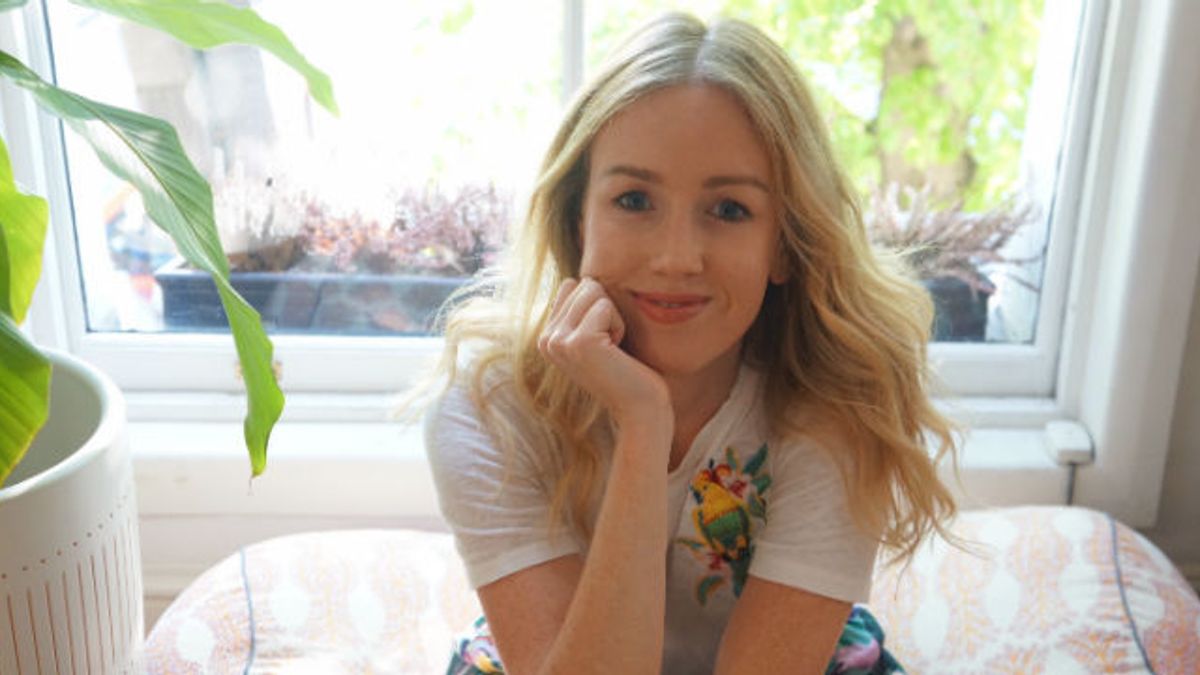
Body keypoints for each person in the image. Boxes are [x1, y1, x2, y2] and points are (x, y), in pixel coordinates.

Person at [420, 12, 958, 675]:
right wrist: (644, 424)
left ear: (784, 243)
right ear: (577, 219)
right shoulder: (488, 405)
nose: (676, 258)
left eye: (729, 209)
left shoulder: (842, 402)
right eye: (634, 200)